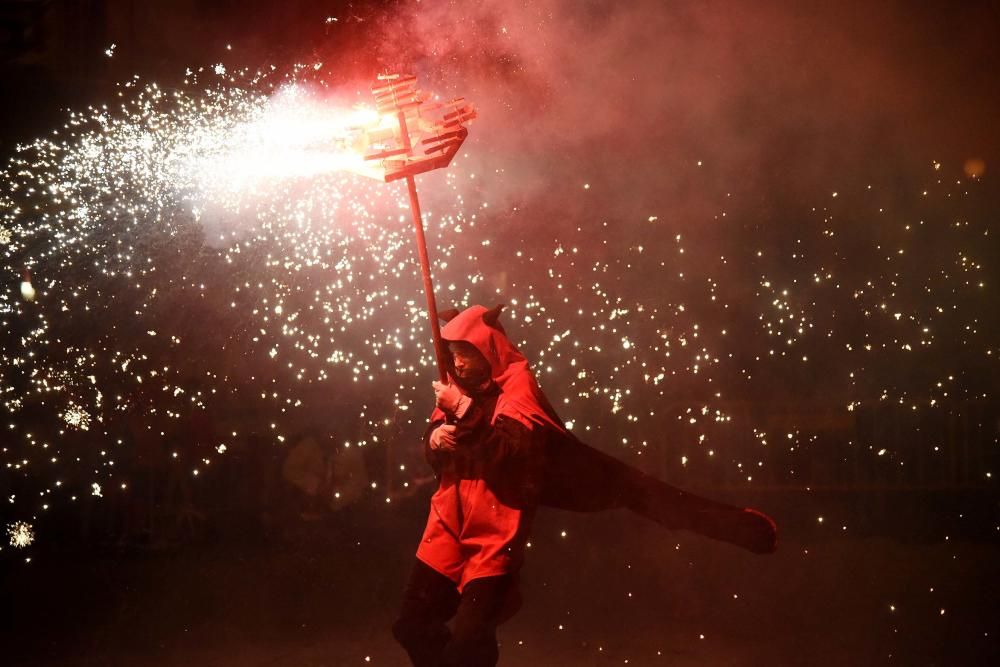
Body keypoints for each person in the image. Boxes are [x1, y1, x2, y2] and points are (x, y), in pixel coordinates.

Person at [393, 304, 776, 667]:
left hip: (494, 534)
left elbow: (509, 455)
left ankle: (742, 528)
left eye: (466, 352)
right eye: (453, 352)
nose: (458, 362)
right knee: (412, 626)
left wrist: (462, 410)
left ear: (488, 349)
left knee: (469, 645)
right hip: (445, 524)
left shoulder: (517, 388)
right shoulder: (456, 386)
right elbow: (441, 448)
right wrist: (435, 439)